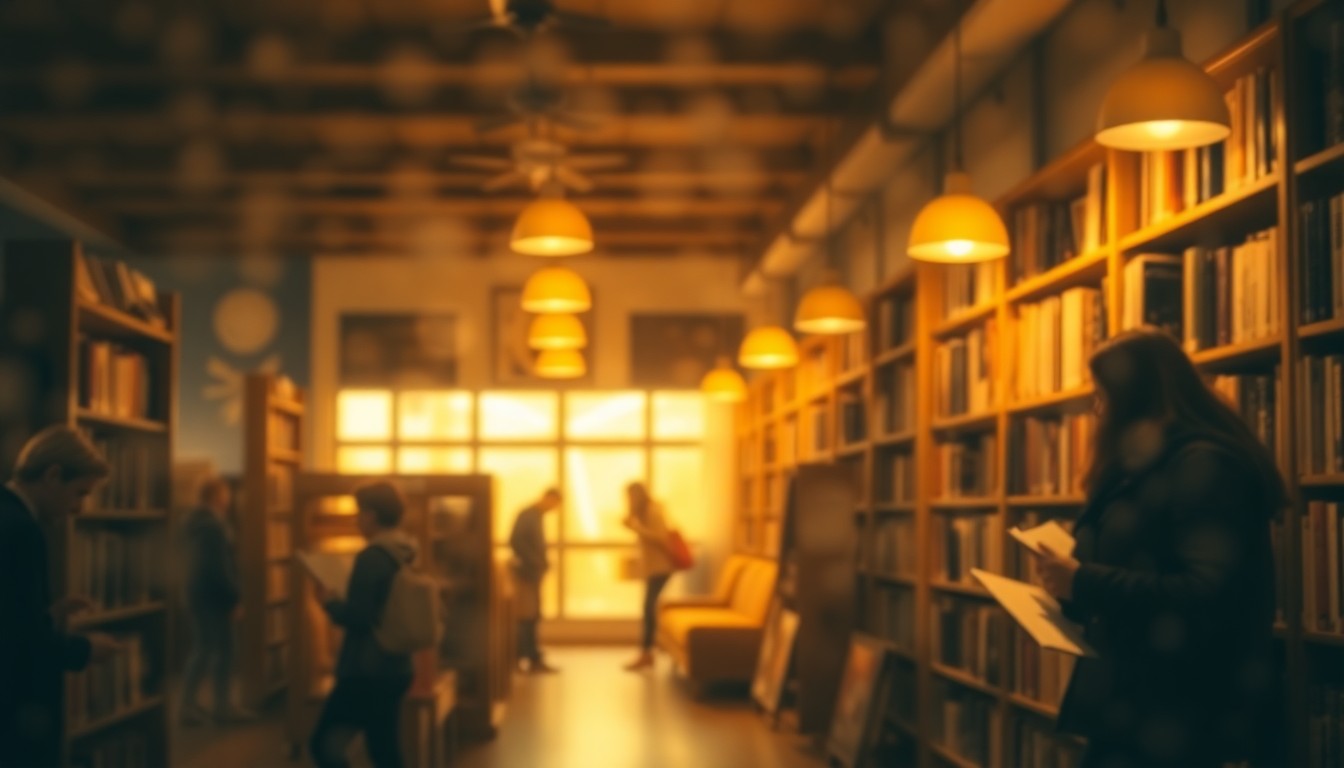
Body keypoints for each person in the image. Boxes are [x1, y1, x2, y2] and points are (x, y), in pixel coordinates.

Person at [1034, 328, 1284, 768]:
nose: (1096, 408)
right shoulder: (1140, 470)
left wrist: (1082, 580)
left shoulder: (1205, 465)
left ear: (1135, 397)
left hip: (1177, 715)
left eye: (1102, 394)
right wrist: (1068, 589)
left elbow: (1208, 593)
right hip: (1130, 707)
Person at [0, 426, 123, 768]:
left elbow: (8, 619)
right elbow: (23, 645)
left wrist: (47, 615)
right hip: (14, 713)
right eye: (80, 493)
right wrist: (85, 649)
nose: (79, 509)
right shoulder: (23, 531)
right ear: (53, 476)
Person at [309, 481, 417, 768]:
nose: (356, 520)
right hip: (397, 665)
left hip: (366, 669)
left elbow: (359, 618)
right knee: (384, 750)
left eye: (359, 513)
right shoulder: (405, 551)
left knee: (324, 744)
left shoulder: (372, 557)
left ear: (371, 514)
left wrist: (328, 602)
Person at [180, 477, 251, 725]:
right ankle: (220, 706)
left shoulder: (193, 524)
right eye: (226, 496)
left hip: (198, 595)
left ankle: (189, 705)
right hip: (215, 598)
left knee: (205, 648)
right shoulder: (214, 527)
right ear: (217, 497)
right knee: (222, 651)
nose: (229, 501)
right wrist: (233, 598)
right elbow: (218, 568)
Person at [621, 482, 676, 672]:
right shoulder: (643, 513)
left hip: (660, 568)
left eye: (630, 497)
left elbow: (661, 538)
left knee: (648, 609)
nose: (628, 501)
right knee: (649, 609)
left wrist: (636, 529)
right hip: (652, 569)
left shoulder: (653, 511)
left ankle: (646, 653)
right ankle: (647, 653)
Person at [508, 488, 562, 674]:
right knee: (527, 617)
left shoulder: (535, 516)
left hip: (533, 573)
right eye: (554, 504)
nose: (553, 509)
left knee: (533, 616)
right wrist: (536, 561)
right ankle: (525, 657)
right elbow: (516, 542)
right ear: (548, 498)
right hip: (526, 574)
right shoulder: (528, 516)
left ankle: (531, 656)